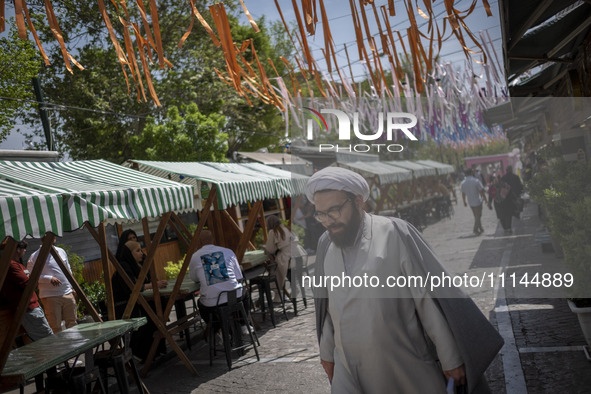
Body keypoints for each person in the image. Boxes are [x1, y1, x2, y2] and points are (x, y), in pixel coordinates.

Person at [306, 167, 503, 393]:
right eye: (321, 214)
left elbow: (426, 301)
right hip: (348, 368)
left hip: (405, 363)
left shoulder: (394, 232)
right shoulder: (325, 245)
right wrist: (326, 353)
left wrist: (451, 358)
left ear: (358, 201)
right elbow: (329, 309)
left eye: (335, 210)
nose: (329, 220)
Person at [111, 240, 167, 360]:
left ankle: (155, 349)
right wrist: (154, 285)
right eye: (137, 251)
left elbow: (144, 282)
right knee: (151, 317)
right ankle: (141, 352)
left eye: (141, 250)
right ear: (129, 253)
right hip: (125, 307)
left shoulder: (136, 265)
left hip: (136, 303)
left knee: (159, 307)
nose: (141, 253)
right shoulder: (124, 266)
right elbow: (133, 287)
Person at [188, 230, 249, 335]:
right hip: (234, 297)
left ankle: (219, 329)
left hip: (212, 303)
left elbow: (194, 278)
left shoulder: (195, 257)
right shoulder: (228, 251)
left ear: (199, 242)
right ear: (213, 240)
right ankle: (243, 324)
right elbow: (239, 276)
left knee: (201, 305)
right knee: (245, 294)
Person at [1, 241, 53, 341]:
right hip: (27, 308)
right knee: (46, 337)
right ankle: (52, 355)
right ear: (17, 250)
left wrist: (33, 282)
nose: (25, 251)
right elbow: (27, 283)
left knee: (46, 334)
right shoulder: (11, 265)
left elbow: (31, 282)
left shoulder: (19, 265)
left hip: (33, 306)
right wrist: (33, 282)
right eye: (23, 248)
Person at [27, 239, 77, 334]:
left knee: (72, 323)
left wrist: (72, 286)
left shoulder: (61, 251)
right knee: (55, 327)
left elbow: (68, 269)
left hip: (67, 292)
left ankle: (76, 346)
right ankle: (61, 348)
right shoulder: (35, 256)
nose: (53, 237)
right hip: (50, 296)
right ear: (42, 238)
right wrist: (48, 278)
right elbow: (30, 276)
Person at [498, 165, 524, 234]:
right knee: (514, 210)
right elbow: (520, 186)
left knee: (507, 213)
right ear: (511, 170)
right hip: (514, 197)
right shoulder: (515, 177)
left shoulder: (503, 178)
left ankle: (508, 227)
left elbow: (501, 188)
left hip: (506, 198)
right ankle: (516, 219)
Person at [460, 168, 487, 235]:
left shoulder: (463, 182)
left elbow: (463, 194)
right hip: (477, 200)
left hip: (470, 202)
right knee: (478, 216)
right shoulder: (476, 181)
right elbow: (481, 191)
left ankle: (480, 228)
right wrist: (486, 199)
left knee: (476, 216)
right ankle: (475, 229)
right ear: (472, 173)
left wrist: (464, 202)